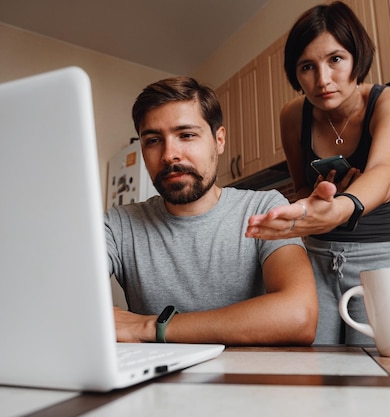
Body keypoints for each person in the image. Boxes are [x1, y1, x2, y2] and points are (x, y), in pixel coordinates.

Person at [246, 2, 390, 345]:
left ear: (357, 57)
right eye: (307, 66)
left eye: (335, 59)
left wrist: (341, 207)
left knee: (383, 372)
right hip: (318, 260)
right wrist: (315, 199)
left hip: (382, 261)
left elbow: (385, 175)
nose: (322, 80)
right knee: (315, 365)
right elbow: (302, 187)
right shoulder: (293, 116)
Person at [105, 76, 318, 345]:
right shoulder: (117, 225)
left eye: (186, 135)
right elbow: (61, 298)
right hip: (157, 385)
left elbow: (299, 316)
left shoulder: (265, 207)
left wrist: (151, 327)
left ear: (219, 140)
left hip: (250, 382)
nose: (169, 154)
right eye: (153, 140)